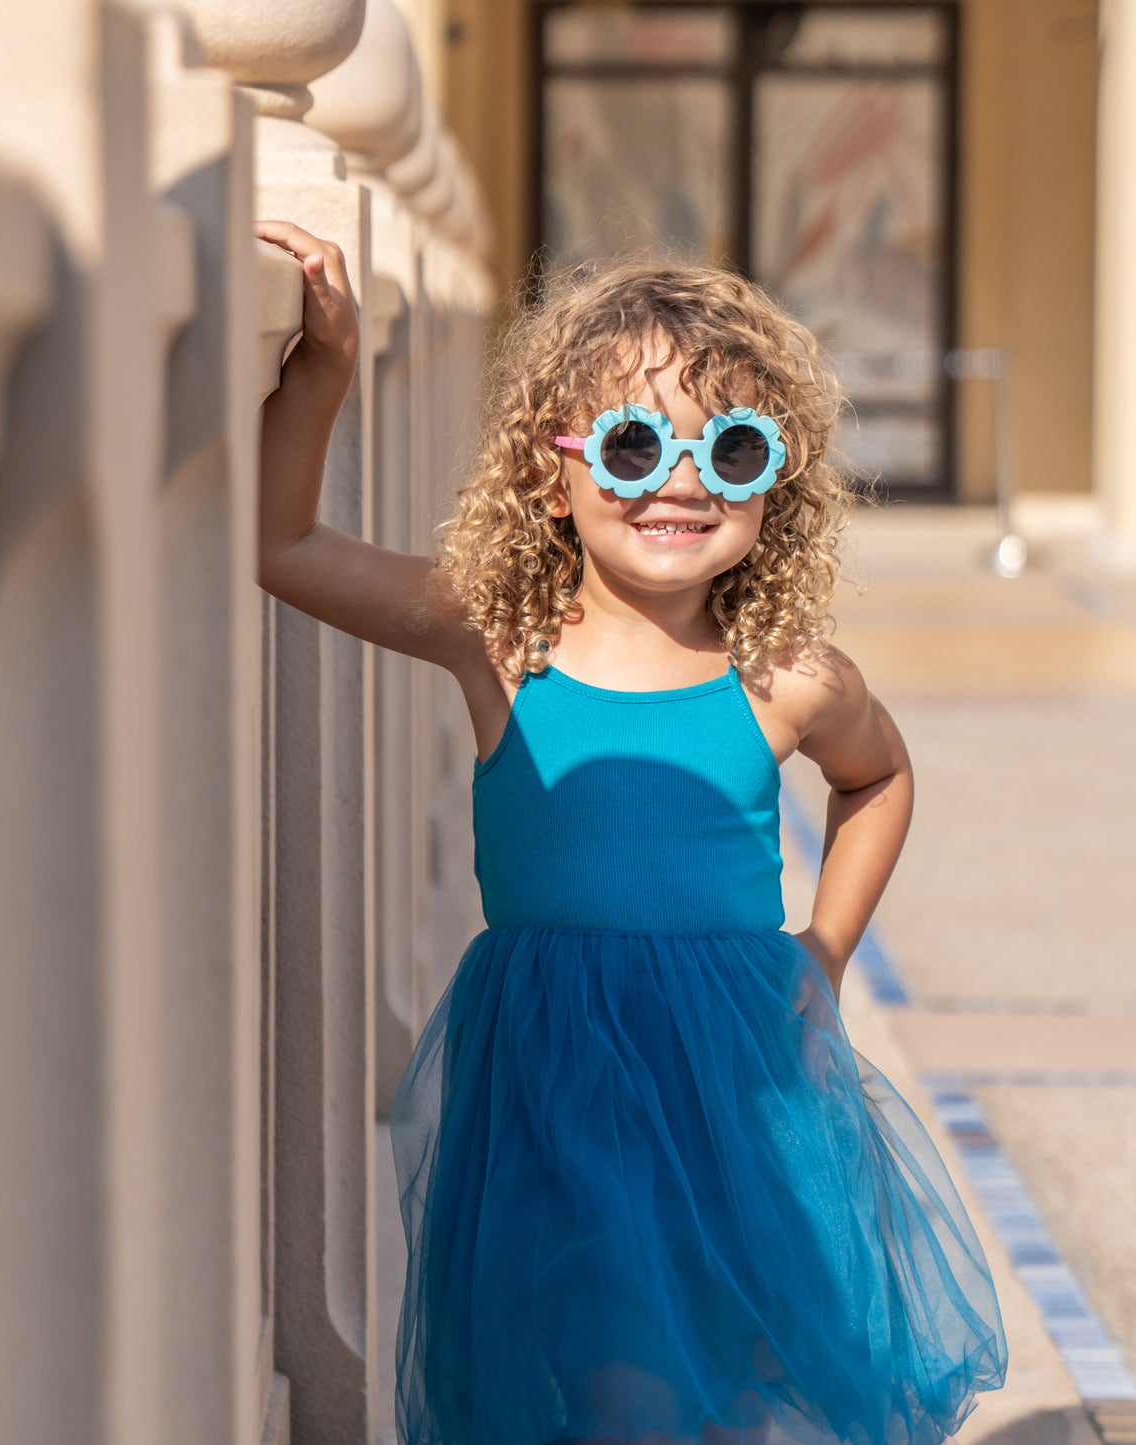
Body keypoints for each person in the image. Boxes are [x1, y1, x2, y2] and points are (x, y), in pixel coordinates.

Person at [254, 219, 1008, 1445]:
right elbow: (279, 545)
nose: (684, 478)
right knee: (617, 1382)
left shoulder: (786, 678)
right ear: (550, 472)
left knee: (742, 1363)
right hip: (558, 1072)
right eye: (633, 440)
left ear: (777, 480)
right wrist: (323, 370)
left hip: (738, 1080)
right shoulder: (498, 636)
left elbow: (877, 779)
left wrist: (821, 951)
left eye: (735, 446)